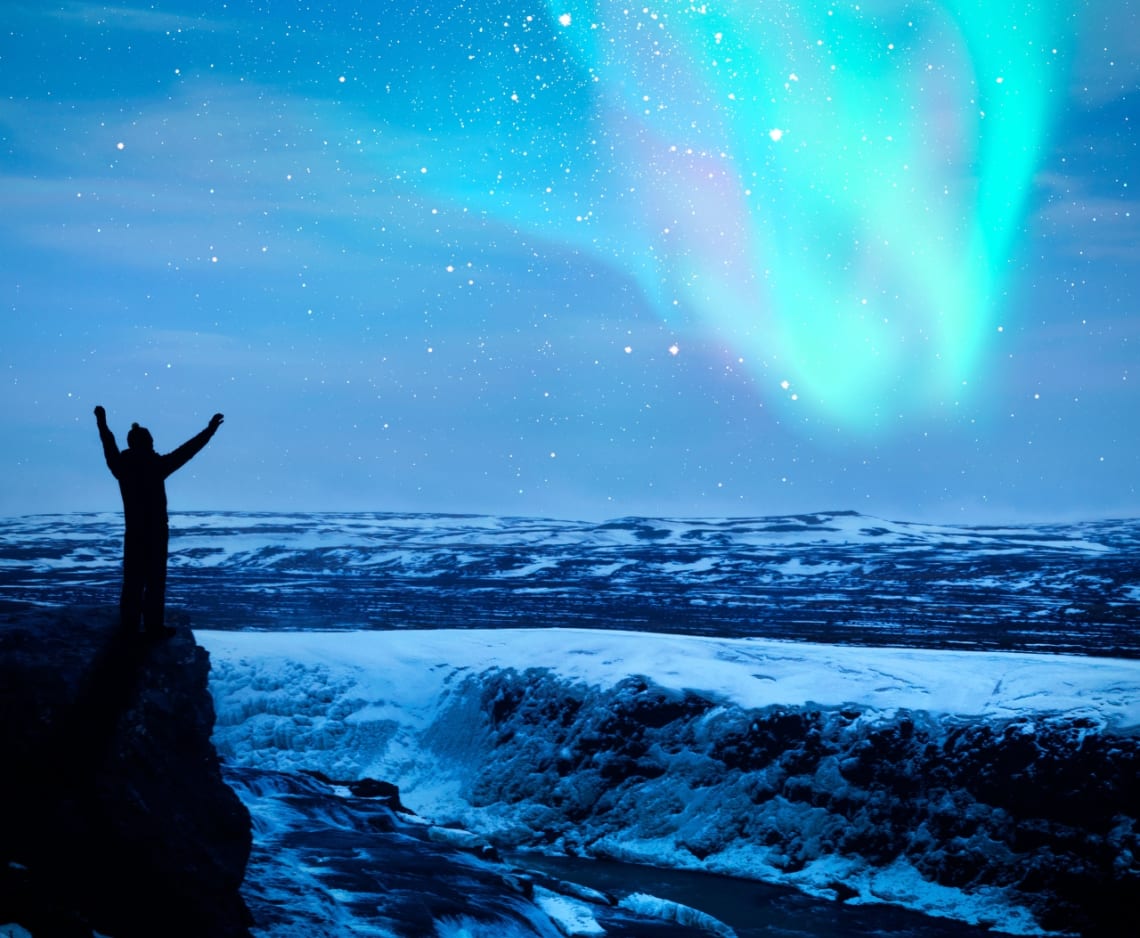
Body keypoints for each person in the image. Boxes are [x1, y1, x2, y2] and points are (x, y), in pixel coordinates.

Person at [94, 405, 224, 638]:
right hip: (156, 533)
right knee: (155, 581)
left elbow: (108, 444)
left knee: (132, 582)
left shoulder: (122, 467)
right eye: (150, 441)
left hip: (134, 532)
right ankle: (153, 627)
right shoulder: (157, 465)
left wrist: (102, 423)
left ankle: (129, 628)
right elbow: (189, 450)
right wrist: (210, 431)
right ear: (146, 443)